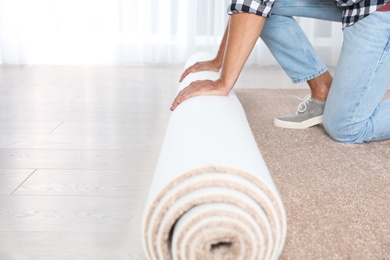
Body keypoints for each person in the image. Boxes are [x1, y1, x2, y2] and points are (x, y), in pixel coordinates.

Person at [170, 0, 390, 144]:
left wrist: (223, 83)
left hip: (380, 8)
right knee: (270, 9)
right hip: (354, 5)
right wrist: (219, 60)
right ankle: (322, 89)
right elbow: (251, 5)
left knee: (345, 128)